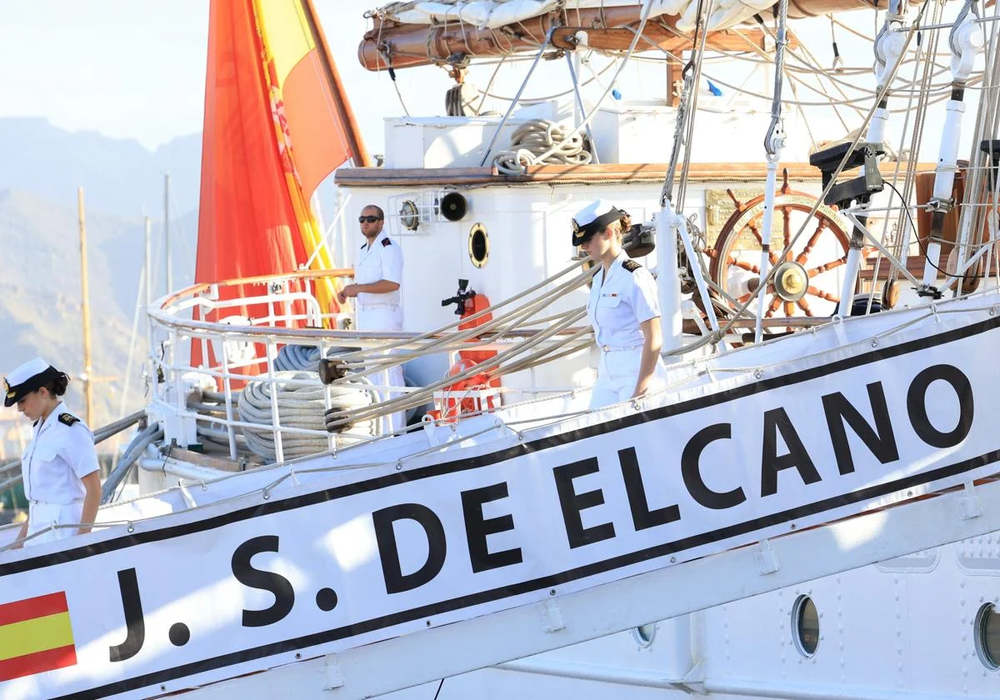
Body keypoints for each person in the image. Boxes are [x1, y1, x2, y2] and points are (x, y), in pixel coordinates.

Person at [573, 199, 668, 409]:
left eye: (588, 239)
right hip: (607, 371)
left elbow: (654, 337)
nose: (583, 246)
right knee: (595, 425)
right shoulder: (598, 279)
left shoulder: (635, 276)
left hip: (636, 370)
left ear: (608, 233)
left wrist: (641, 389)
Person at [4, 358, 100, 548]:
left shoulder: (71, 429)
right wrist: (19, 544)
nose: (20, 408)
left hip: (64, 536)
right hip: (38, 537)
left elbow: (95, 490)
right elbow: (39, 501)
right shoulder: (39, 430)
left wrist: (81, 544)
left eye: (22, 400)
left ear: (43, 392)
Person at [336, 204, 406, 433]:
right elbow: (365, 284)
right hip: (367, 318)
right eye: (362, 219)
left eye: (371, 219)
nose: (365, 223)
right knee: (373, 377)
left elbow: (392, 283)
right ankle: (380, 431)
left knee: (389, 375)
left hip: (384, 317)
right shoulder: (364, 250)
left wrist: (357, 288)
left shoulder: (389, 248)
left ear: (381, 222)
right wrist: (347, 291)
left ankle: (395, 432)